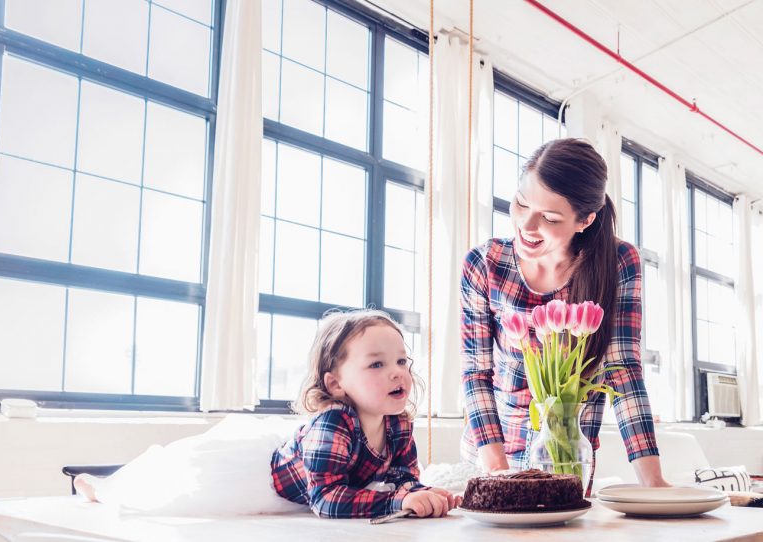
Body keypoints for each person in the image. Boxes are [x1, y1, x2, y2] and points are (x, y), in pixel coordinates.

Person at [460, 138, 669, 494]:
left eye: (550, 217)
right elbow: (476, 373)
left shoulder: (617, 262)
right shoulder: (485, 264)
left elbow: (623, 372)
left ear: (585, 220)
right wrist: (498, 472)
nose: (526, 223)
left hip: (569, 458)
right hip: (495, 456)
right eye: (521, 203)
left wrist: (654, 484)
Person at [271, 309, 460, 518]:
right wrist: (399, 501)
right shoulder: (333, 422)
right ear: (335, 384)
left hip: (335, 484)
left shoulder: (398, 423)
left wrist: (423, 493)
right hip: (277, 486)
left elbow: (403, 477)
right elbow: (325, 498)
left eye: (401, 361)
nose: (397, 372)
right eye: (376, 364)